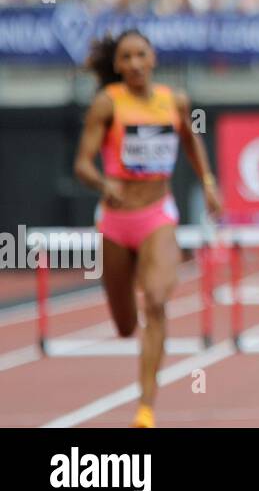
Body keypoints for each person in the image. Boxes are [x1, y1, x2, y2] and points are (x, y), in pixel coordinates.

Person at [73, 30, 222, 428]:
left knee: (156, 301)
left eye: (141, 55)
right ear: (117, 66)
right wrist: (105, 184)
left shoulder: (175, 101)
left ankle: (145, 409)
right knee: (125, 326)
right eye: (126, 58)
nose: (135, 64)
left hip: (157, 215)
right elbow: (82, 164)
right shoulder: (108, 104)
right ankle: (130, 330)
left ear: (153, 58)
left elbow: (192, 141)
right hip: (116, 222)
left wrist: (207, 182)